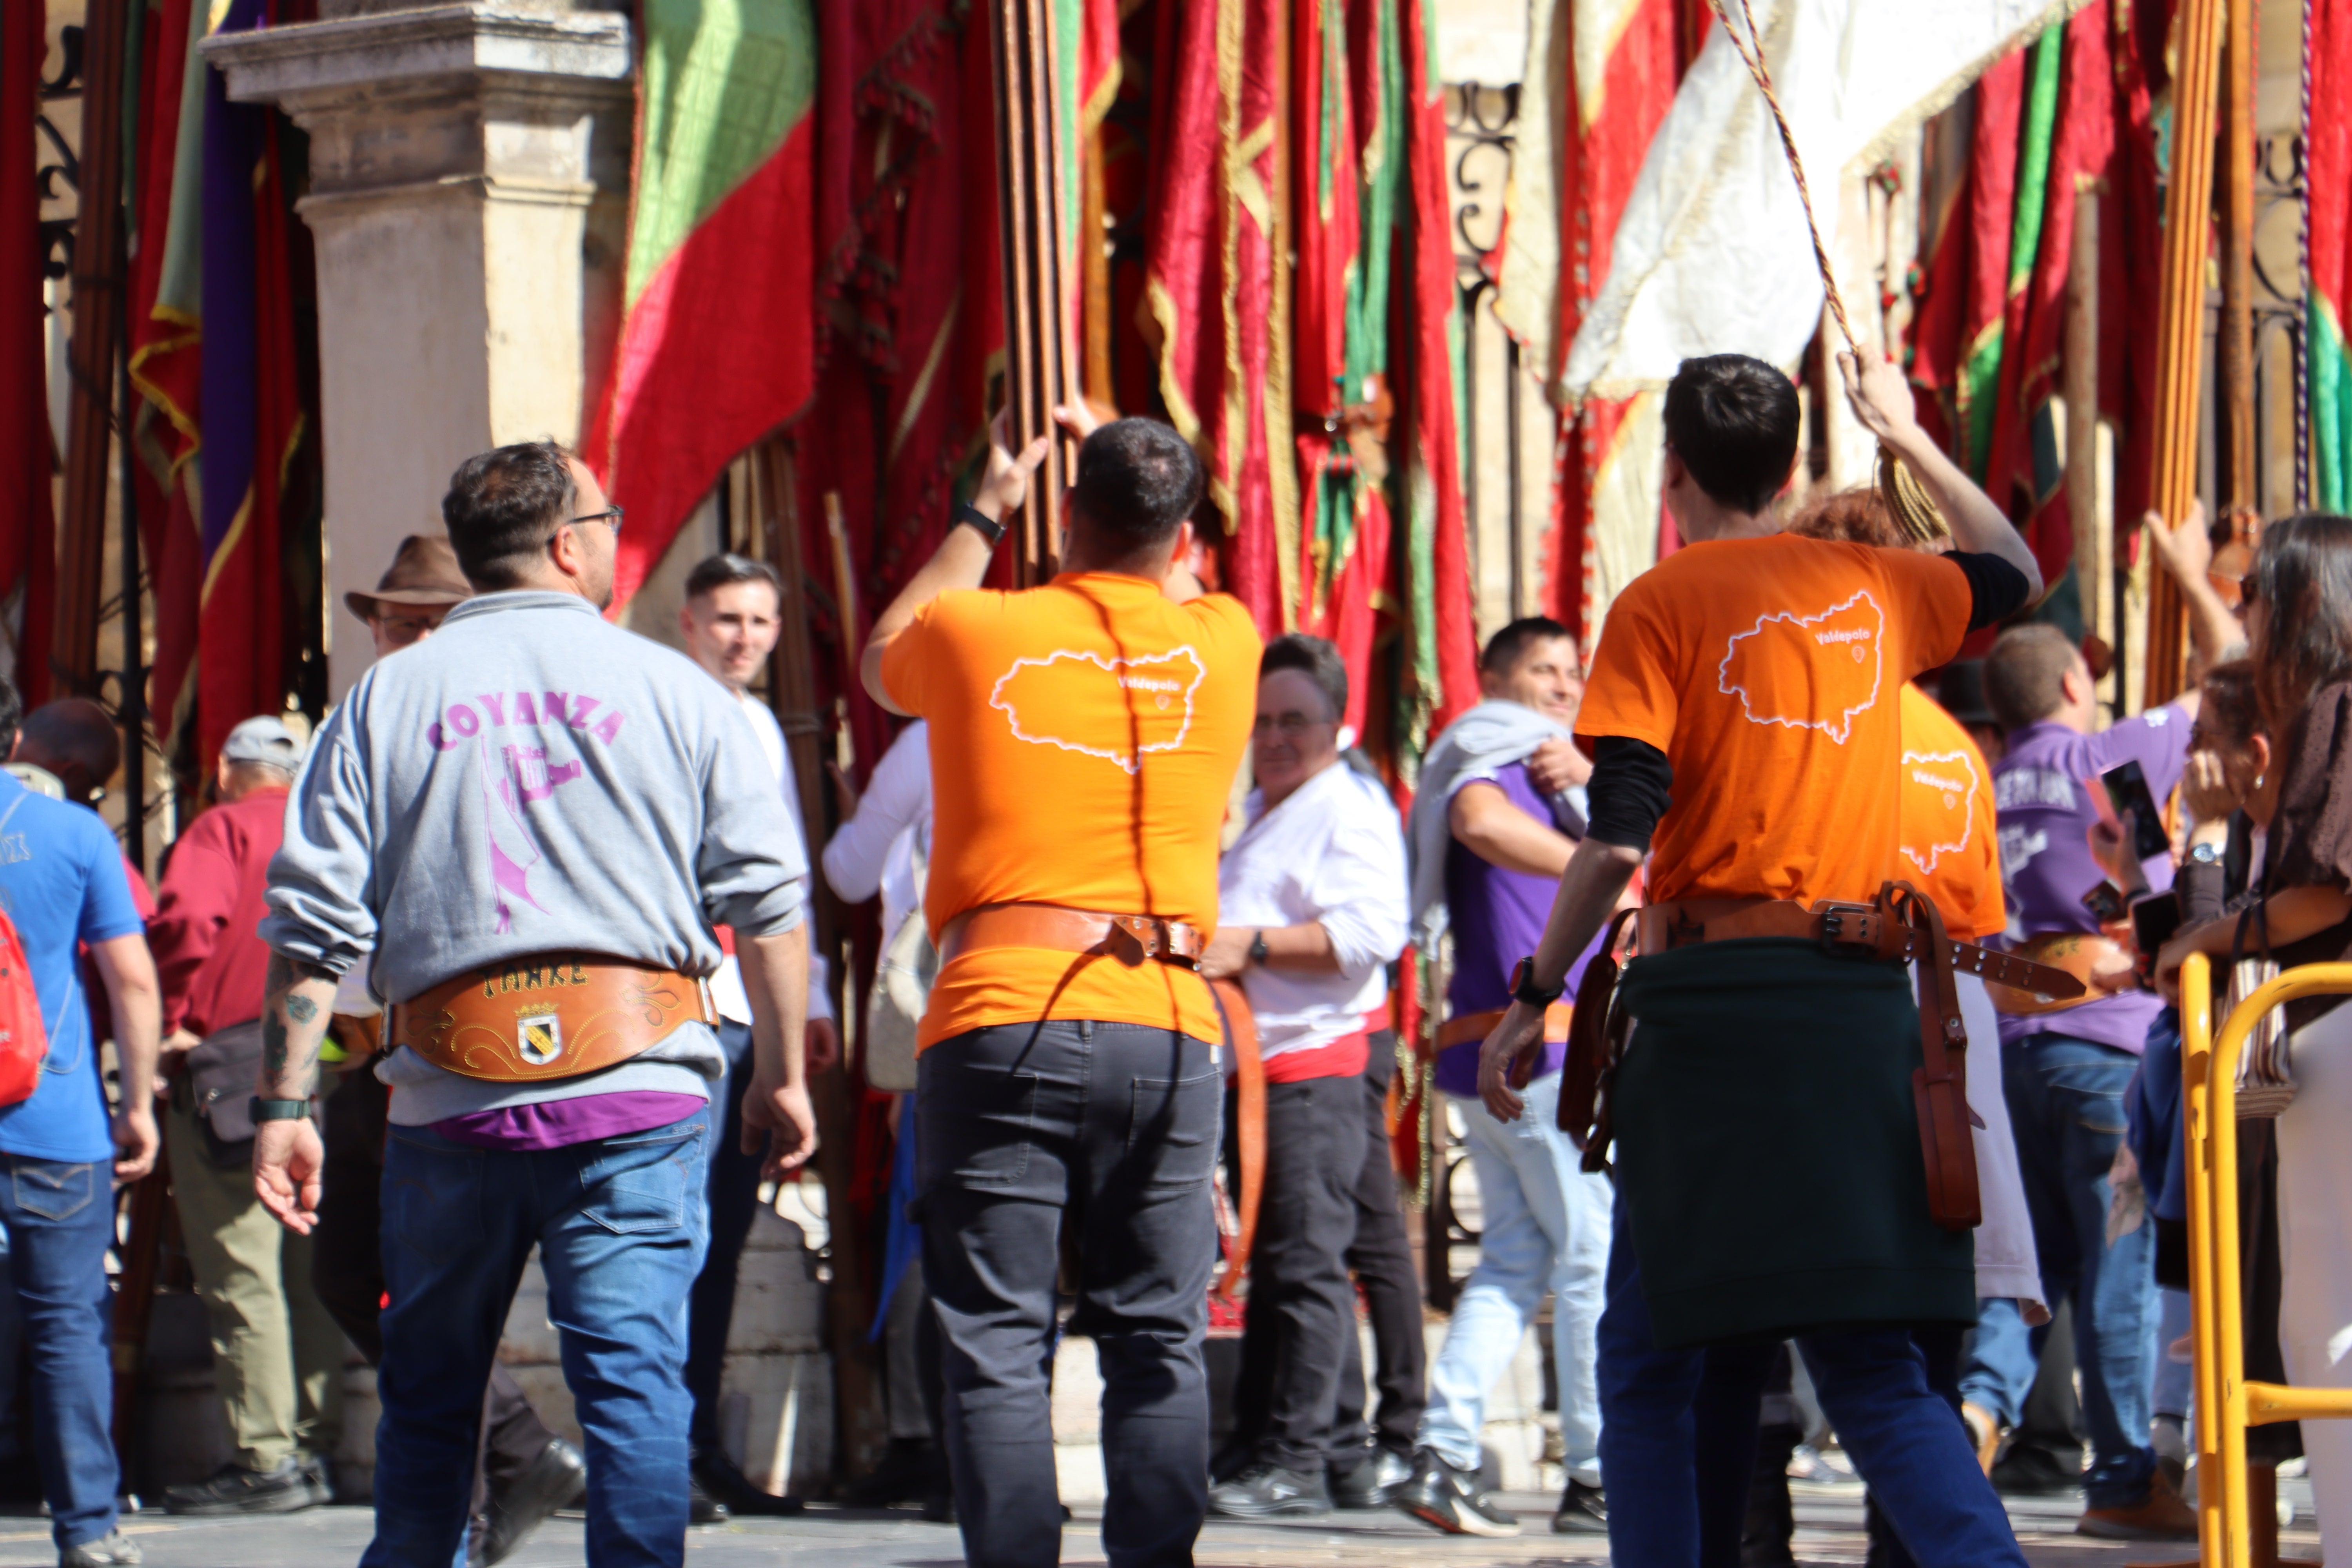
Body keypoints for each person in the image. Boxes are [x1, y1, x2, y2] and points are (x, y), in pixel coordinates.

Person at [1478, 350, 2046, 1567]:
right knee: (1870, 1365)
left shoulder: (1659, 602)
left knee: (1653, 1360)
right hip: (1858, 1012)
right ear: (1790, 470)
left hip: (1711, 1021)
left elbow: (1617, 835)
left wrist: (1534, 993)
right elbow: (2015, 567)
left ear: (1672, 468)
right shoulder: (1879, 587)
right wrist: (1909, 434)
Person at [254, 441, 817, 1568]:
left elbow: (313, 927)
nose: (614, 536)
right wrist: (784, 1074)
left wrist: (283, 1103)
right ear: (568, 545)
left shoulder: (383, 699)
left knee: (431, 1393)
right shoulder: (678, 691)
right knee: (634, 1389)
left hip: (446, 1097)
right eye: (608, 519)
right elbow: (768, 903)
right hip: (638, 1093)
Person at [860, 408, 1259, 1568]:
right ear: (1182, 534)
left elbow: (886, 656)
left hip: (1003, 1011)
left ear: (1066, 515)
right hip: (1167, 1019)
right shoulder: (1225, 637)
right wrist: (1143, 456)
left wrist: (986, 508)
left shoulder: (978, 625)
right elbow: (1177, 560)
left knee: (994, 1341)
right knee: (1156, 1335)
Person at [305, 546, 585, 1565]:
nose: (411, 638)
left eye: (429, 621)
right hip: (366, 1050)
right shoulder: (360, 721)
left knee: (429, 1295)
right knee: (349, 1270)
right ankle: (517, 1447)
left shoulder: (488, 729)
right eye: (396, 621)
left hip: (452, 1044)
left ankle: (461, 1518)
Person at [1780, 490, 2046, 1563]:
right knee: (1922, 1341)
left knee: (1813, 1347)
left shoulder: (1792, 727)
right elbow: (1977, 927)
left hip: (1823, 1027)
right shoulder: (1949, 745)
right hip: (1946, 1041)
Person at [1958, 621, 2200, 1538]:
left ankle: (1979, 1406)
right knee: (2117, 1272)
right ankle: (2125, 1479)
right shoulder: (2103, 756)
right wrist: (2203, 579)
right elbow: (2225, 678)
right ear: (2070, 685)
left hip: (2011, 1052)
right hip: (2106, 1049)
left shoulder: (1975, 782)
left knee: (2034, 1263)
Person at [2157, 512, 2352, 1566]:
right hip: (2316, 1037)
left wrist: (2211, 932)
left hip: (2334, 1034)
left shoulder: (2340, 703)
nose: (2248, 614)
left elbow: (2324, 892)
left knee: (2326, 1319)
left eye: (2257, 594)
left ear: (2308, 597)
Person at [1392, 615, 1613, 1538]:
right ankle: (1598, 1473)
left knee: (1518, 1258)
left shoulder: (1557, 766)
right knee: (1593, 1254)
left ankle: (1443, 1451)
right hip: (1543, 1055)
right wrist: (1605, 868)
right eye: (1544, 668)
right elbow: (1476, 819)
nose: (1564, 684)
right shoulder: (1497, 749)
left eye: (1573, 670)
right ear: (1493, 679)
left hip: (1496, 1055)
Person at [1200, 634, 1409, 1518]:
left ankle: (1296, 1459)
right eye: (1263, 721)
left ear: (1337, 725)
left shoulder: (1347, 807)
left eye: (1296, 720)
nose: (1277, 736)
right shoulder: (1268, 805)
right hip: (1265, 1066)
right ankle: (1297, 1448)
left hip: (1312, 1064)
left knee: (1304, 1264)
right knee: (1288, 1262)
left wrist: (1246, 945)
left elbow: (1372, 934)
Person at [672, 549, 839, 1514]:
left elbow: (786, 876)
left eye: (760, 621)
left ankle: (698, 1442)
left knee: (725, 1231)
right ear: (690, 622)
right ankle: (659, 1450)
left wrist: (810, 998)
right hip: (682, 1009)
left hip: (748, 1015)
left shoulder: (763, 724)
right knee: (677, 1235)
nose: (743, 637)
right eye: (727, 618)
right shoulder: (668, 708)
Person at [144, 717, 345, 1515]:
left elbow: (187, 924)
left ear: (229, 771)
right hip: (324, 1064)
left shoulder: (219, 827)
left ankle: (266, 1458)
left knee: (241, 1268)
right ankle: (315, 1443)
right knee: (307, 1266)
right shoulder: (322, 825)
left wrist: (167, 1016)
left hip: (229, 1066)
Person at [0, 675, 163, 1568]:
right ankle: (89, 1529)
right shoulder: (74, 832)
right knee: (67, 1324)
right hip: (53, 1117)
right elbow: (131, 977)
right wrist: (135, 1105)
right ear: (12, 738)